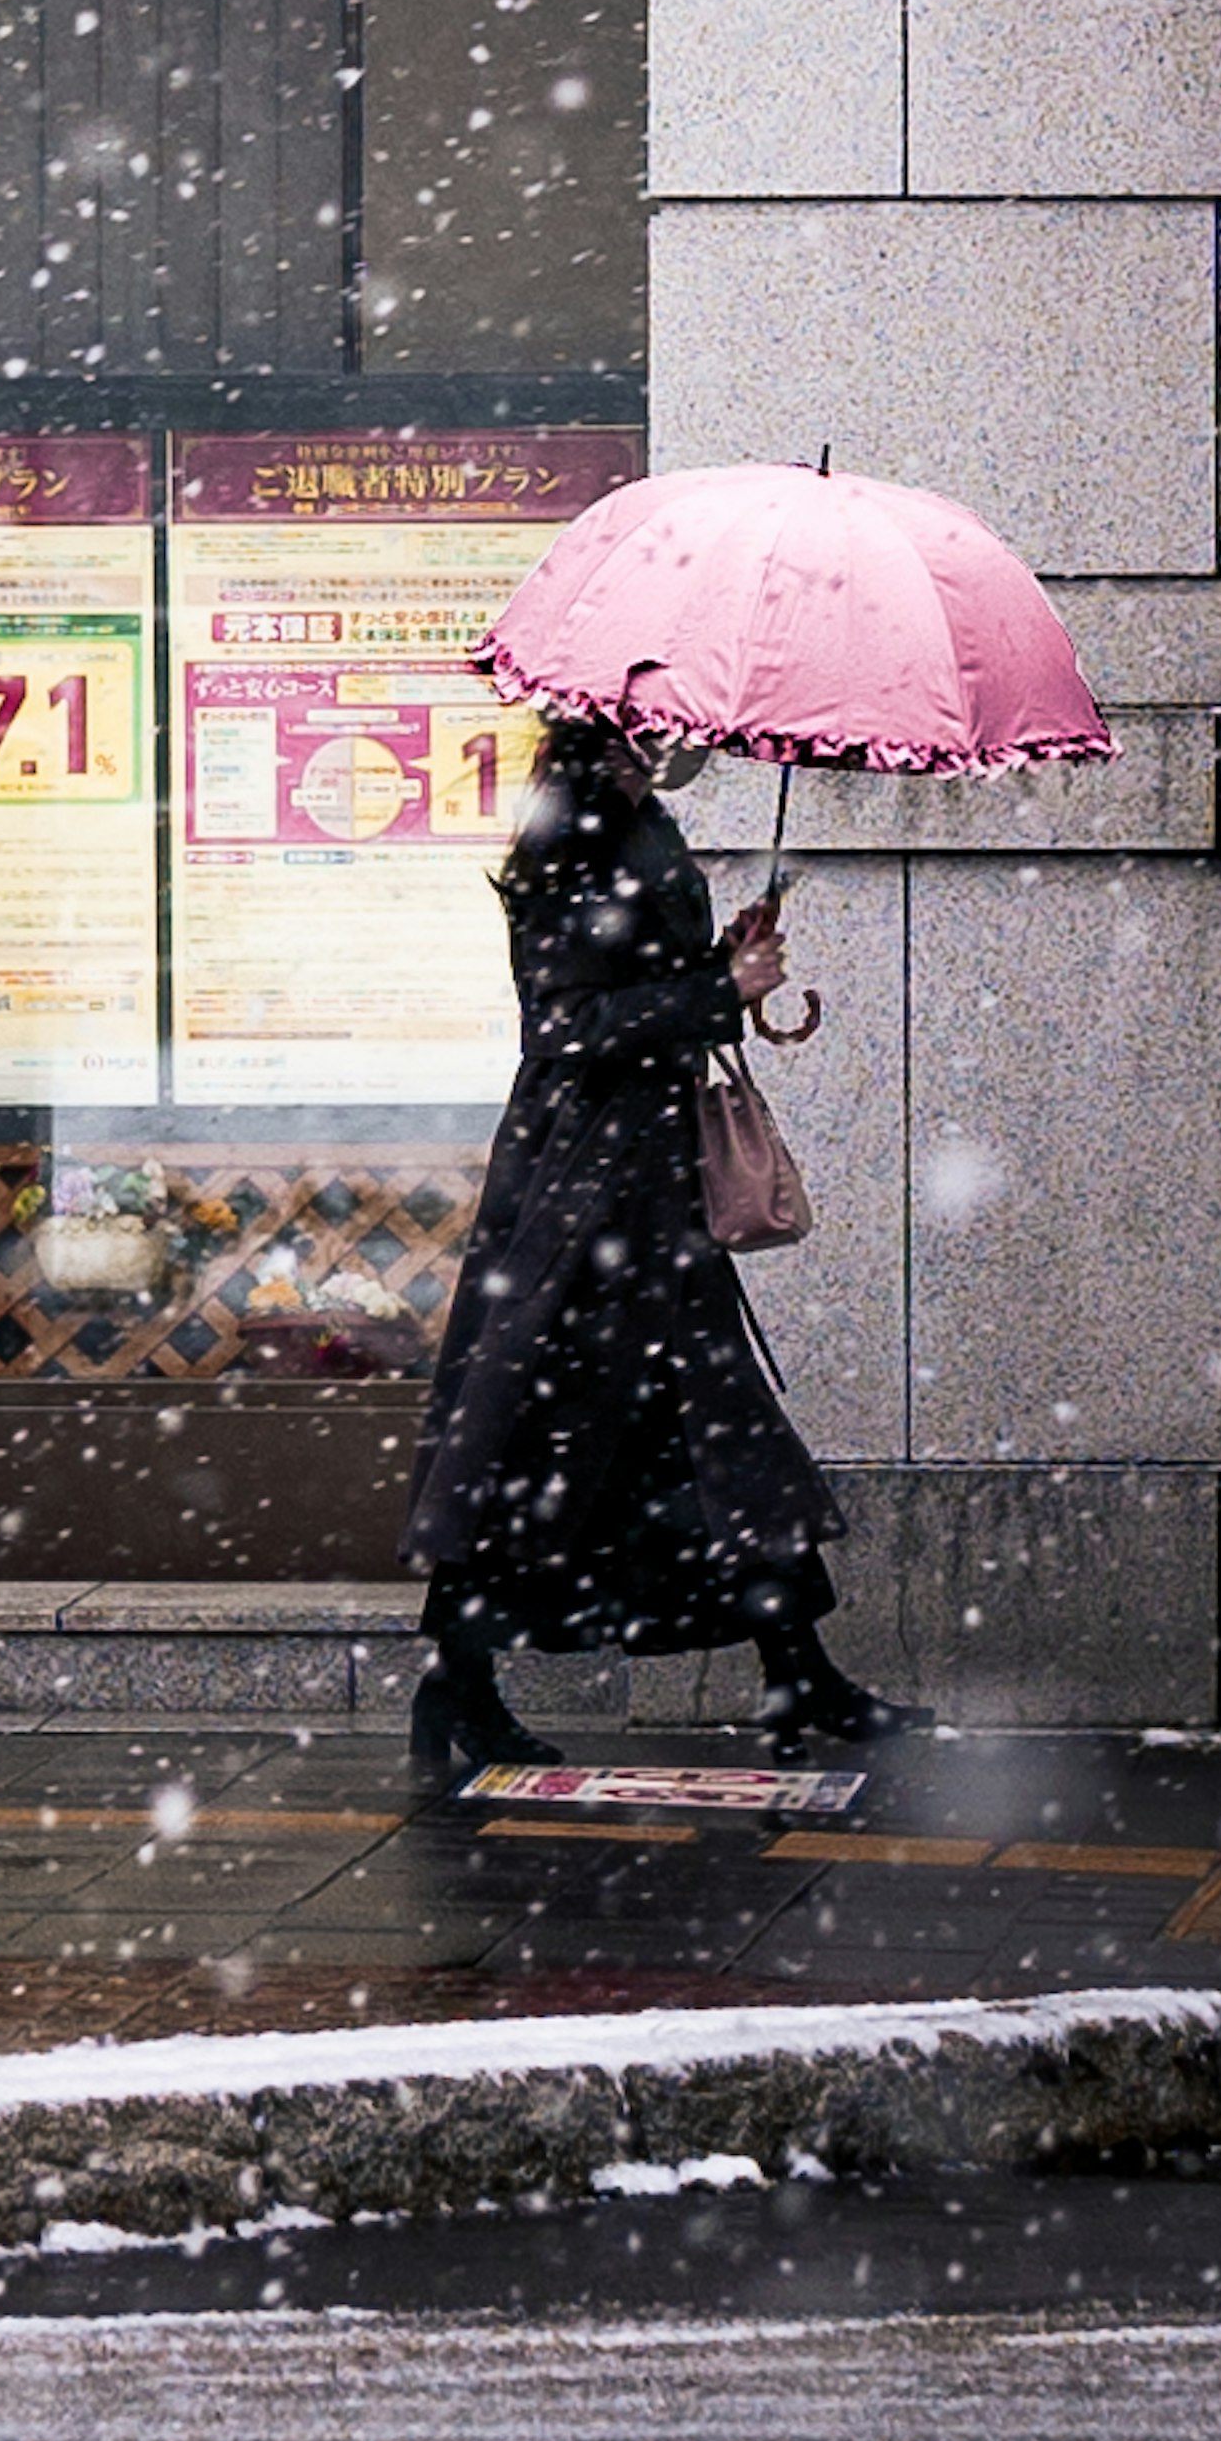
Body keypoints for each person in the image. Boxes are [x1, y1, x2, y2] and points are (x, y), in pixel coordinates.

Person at [403, 701, 910, 1784]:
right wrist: (710, 990)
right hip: (582, 1196)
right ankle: (459, 1683)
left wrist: (723, 966)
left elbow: (648, 992)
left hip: (651, 1185)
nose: (674, 740)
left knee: (717, 1428)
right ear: (610, 732)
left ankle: (795, 1667)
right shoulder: (566, 833)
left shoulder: (644, 823)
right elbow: (564, 1024)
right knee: (542, 1435)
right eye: (651, 724)